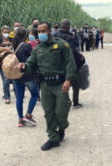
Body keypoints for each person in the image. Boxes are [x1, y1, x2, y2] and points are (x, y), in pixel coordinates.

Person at [16, 22, 77, 151]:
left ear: (50, 31)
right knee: (48, 112)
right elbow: (31, 63)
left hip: (60, 84)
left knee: (61, 111)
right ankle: (53, 138)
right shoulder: (37, 48)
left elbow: (70, 63)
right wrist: (23, 66)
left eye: (43, 30)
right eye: (39, 31)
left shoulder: (61, 44)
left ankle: (62, 127)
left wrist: (68, 80)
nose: (41, 33)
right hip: (45, 85)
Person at [12, 27, 40, 127]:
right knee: (35, 94)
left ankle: (20, 120)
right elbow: (32, 59)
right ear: (26, 36)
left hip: (16, 76)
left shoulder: (14, 46)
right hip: (28, 76)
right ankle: (28, 115)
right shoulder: (26, 46)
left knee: (19, 98)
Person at [54, 19, 84, 109]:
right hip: (68, 63)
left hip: (56, 63)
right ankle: (75, 102)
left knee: (59, 83)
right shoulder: (70, 37)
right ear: (68, 27)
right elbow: (72, 52)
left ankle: (59, 102)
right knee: (75, 82)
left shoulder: (54, 35)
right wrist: (80, 57)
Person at [0, 25, 14, 104]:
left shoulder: (12, 40)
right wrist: (7, 49)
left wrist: (4, 51)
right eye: (4, 32)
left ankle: (18, 95)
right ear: (1, 32)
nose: (6, 34)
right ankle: (7, 97)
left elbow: (14, 50)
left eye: (7, 32)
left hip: (11, 63)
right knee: (5, 80)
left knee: (13, 80)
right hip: (2, 63)